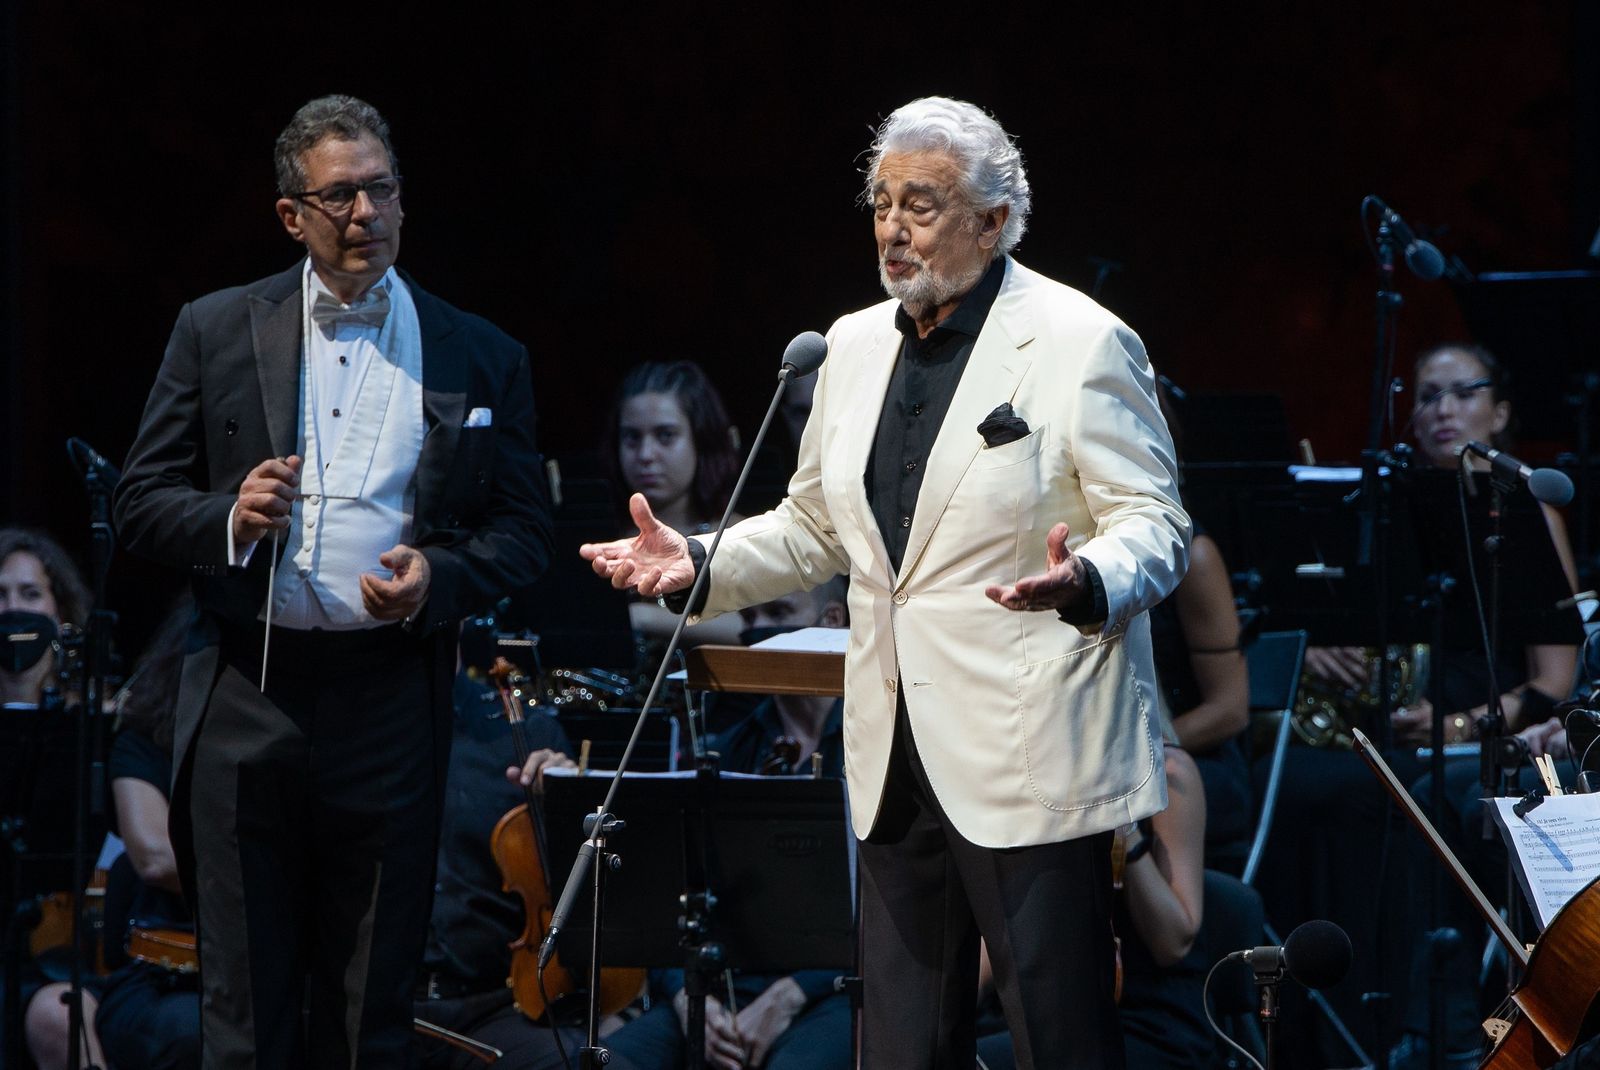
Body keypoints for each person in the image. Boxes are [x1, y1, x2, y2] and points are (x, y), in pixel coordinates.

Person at [581, 96, 1190, 1068]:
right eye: (881, 203)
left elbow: (1155, 522)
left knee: (1059, 1040)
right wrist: (697, 560)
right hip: (892, 754)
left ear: (993, 220)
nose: (893, 228)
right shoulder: (850, 346)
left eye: (921, 204)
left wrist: (1087, 578)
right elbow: (814, 525)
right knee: (898, 1048)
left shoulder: (1081, 340)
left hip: (1029, 747)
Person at [113, 94, 553, 1068]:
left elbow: (526, 533)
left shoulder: (480, 350)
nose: (366, 213)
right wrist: (229, 517)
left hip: (390, 701)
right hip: (247, 691)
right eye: (341, 195)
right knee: (244, 1014)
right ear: (291, 214)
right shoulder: (216, 328)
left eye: (382, 190)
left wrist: (440, 573)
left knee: (370, 1013)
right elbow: (138, 501)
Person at [616, 577, 853, 1070]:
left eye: (777, 613)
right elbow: (672, 896)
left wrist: (790, 994)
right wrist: (688, 998)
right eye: (749, 618)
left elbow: (890, 907)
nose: (758, 630)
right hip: (723, 987)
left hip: (832, 986)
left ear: (833, 620)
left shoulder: (872, 746)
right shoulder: (725, 749)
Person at [978, 736, 1210, 1070]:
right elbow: (999, 944)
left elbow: (1173, 943)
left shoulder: (1170, 772)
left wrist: (1123, 824)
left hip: (1146, 1020)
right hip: (1049, 1012)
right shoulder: (1034, 783)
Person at [0, 528, 108, 1070]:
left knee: (62, 1019)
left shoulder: (97, 728)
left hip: (65, 954)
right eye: (0, 596)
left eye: (29, 594)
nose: (13, 610)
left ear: (60, 611)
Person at [96, 600, 200, 1070]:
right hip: (162, 977)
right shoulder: (145, 743)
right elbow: (155, 858)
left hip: (271, 969)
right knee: (196, 1032)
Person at [605, 360, 747, 651]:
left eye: (665, 435)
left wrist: (641, 617)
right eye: (632, 437)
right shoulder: (606, 540)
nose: (645, 454)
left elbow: (756, 630)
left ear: (701, 440)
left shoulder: (740, 535)